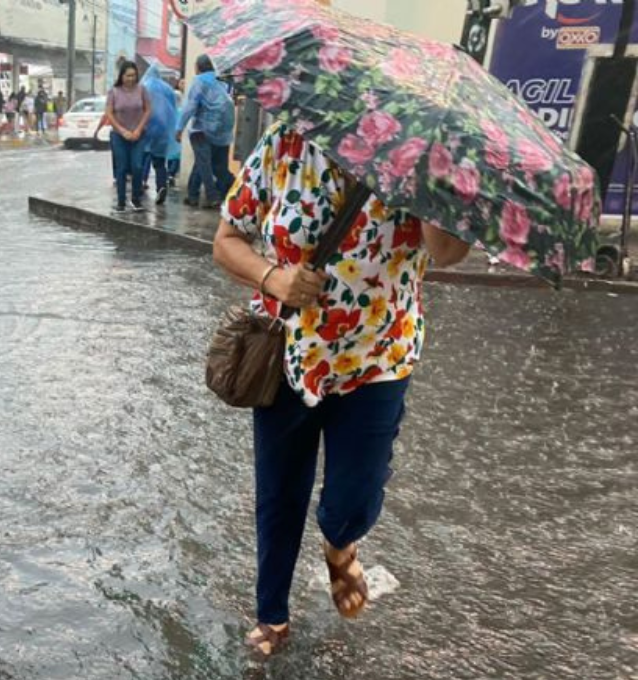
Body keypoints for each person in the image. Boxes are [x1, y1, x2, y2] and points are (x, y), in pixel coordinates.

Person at [212, 122, 471, 658]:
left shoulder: (422, 155)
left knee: (353, 495)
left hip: (379, 360)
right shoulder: (286, 143)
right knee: (279, 492)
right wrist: (273, 278)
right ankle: (272, 613)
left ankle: (340, 543)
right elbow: (227, 241)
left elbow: (445, 254)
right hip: (289, 354)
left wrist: (433, 179)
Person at [177, 55, 235, 209]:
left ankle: (213, 196)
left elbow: (190, 106)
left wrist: (179, 128)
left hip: (202, 130)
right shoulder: (222, 80)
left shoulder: (200, 80)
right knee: (213, 164)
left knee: (205, 164)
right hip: (223, 131)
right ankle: (193, 196)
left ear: (198, 67)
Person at [105, 61, 151, 212]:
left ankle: (136, 199)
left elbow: (147, 110)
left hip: (138, 135)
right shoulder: (114, 91)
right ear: (122, 76)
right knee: (122, 167)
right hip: (119, 135)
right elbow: (109, 113)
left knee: (137, 166)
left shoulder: (142, 90)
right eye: (128, 75)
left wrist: (138, 129)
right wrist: (122, 130)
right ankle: (121, 201)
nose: (131, 78)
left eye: (133, 75)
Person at [139, 69, 178, 206]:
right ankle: (161, 186)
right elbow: (173, 110)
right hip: (163, 129)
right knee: (160, 162)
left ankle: (140, 184)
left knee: (141, 157)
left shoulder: (143, 86)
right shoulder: (168, 89)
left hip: (146, 127)